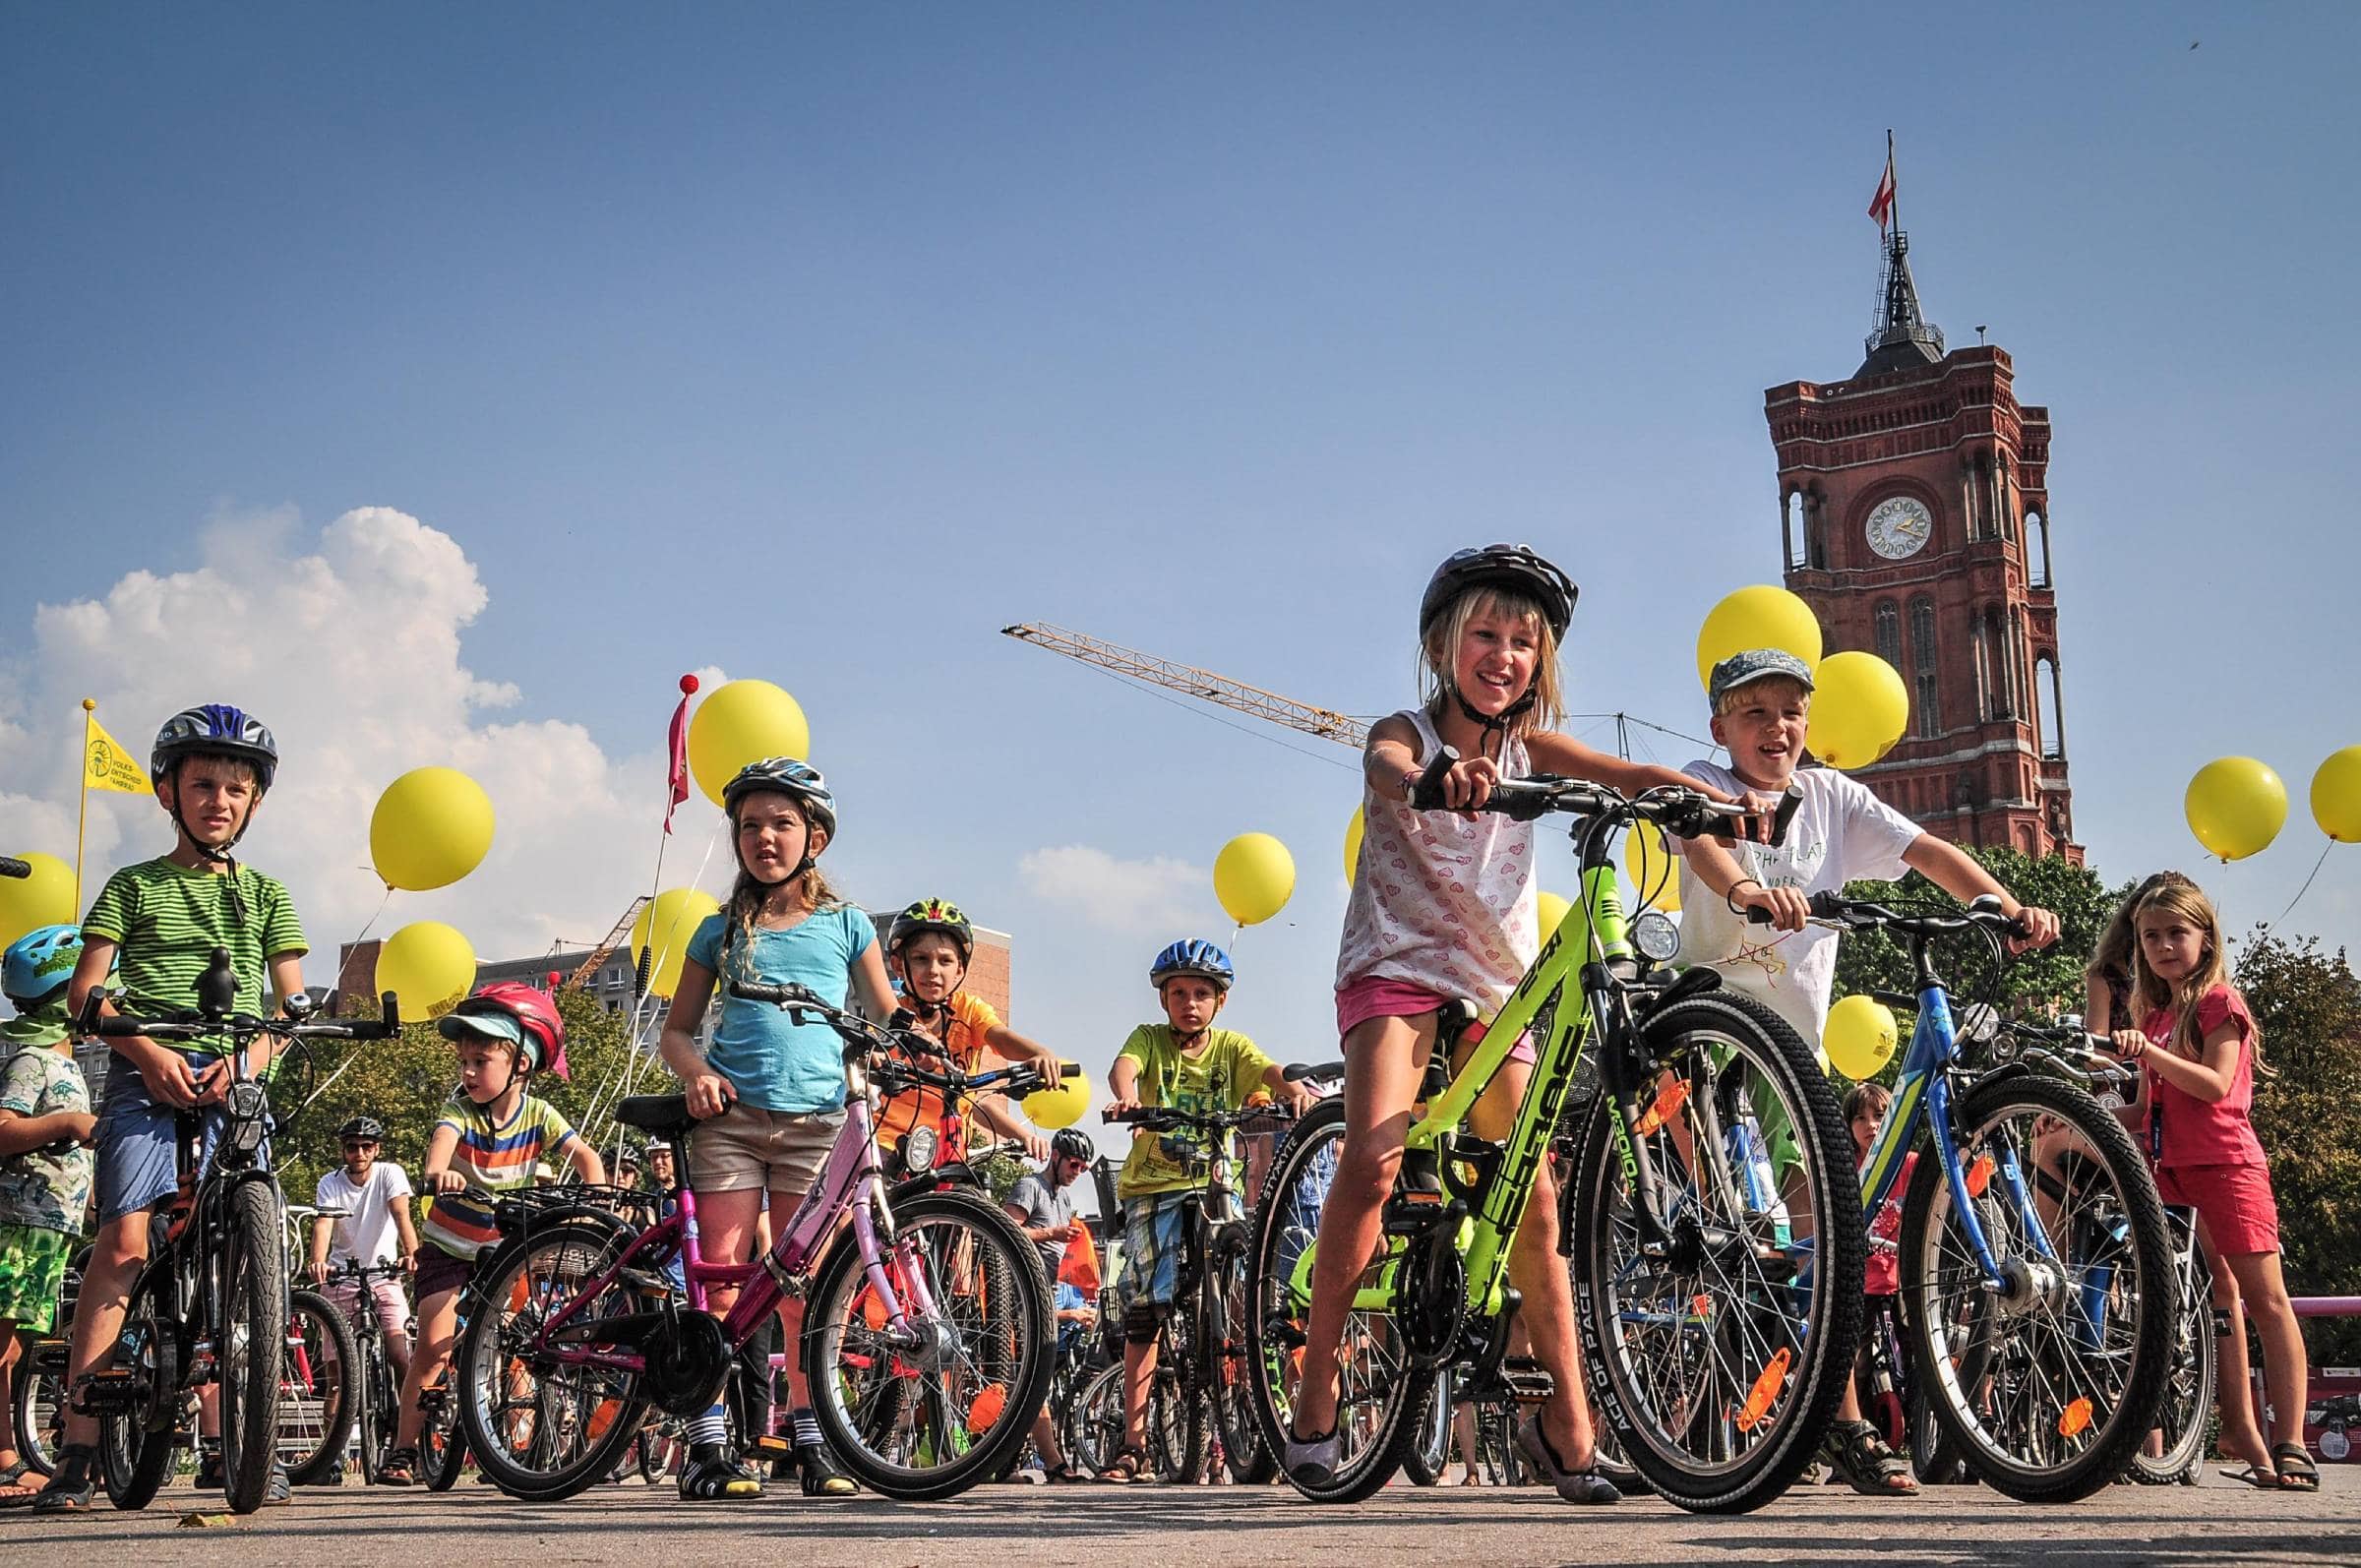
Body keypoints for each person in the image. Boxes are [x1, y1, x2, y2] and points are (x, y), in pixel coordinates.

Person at [1289, 545, 1748, 1504]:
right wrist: (1432, 777)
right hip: (1397, 966)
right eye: (1485, 636)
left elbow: (1628, 771)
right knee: (1374, 1155)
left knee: (1537, 1197)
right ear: (1443, 647)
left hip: (1493, 983)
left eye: (1523, 642)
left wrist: (1706, 807)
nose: (1504, 655)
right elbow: (1387, 764)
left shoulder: (1532, 750)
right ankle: (1318, 1381)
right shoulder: (1407, 729)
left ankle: (1566, 1429)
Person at [1670, 648, 2060, 1495]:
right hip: (1715, 1040)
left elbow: (1924, 851)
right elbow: (1702, 845)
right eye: (1755, 713)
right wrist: (1745, 892)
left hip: (1796, 1056)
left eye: (1791, 712)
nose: (1777, 728)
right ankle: (1835, 1422)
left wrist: (2000, 902)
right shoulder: (1702, 779)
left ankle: (1829, 1418)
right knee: (1746, 1238)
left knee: (1827, 1241)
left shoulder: (1833, 798)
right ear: (1720, 729)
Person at [37, 704, 307, 1514]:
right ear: (168, 793)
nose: (218, 800)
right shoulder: (134, 886)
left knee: (243, 1247)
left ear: (255, 800)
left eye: (235, 787)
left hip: (236, 1073)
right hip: (143, 1066)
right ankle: (80, 1448)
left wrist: (247, 1059)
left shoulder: (268, 895)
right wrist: (146, 1054)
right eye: (201, 785)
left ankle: (235, 1442)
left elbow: (290, 1007)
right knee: (123, 1240)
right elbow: (90, 988)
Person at [657, 756, 893, 1501]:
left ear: (814, 838)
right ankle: (709, 1445)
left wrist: (909, 1043)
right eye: (751, 824)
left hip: (817, 1121)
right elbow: (677, 1031)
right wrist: (695, 1072)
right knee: (723, 1287)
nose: (765, 836)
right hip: (728, 1123)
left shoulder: (848, 925)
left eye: (782, 823)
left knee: (802, 1293)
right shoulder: (718, 930)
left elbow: (885, 1015)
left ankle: (809, 1443)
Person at [2103, 876, 2314, 1493]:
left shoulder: (2219, 1003)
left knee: (2266, 1300)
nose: (2164, 946)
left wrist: (2149, 1052)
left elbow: (2217, 1086)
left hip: (2225, 1166)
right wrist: (2071, 1114)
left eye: (2176, 933)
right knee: (2207, 1302)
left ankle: (2291, 1440)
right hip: (2168, 1171)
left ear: (2204, 937)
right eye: (2150, 936)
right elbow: (2146, 1110)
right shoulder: (2156, 1014)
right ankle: (2238, 1430)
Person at [1102, 939, 1313, 1484]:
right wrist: (1128, 1099)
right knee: (1147, 1309)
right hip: (1154, 1185)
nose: (1189, 1003)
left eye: (1201, 994)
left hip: (1217, 1184)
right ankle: (1134, 1444)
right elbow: (1123, 1069)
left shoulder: (1232, 1048)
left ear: (1220, 1001)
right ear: (1163, 1000)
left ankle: (1252, 1395)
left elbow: (1269, 1072)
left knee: (1248, 1280)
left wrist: (1293, 1092)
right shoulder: (1149, 1041)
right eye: (1178, 994)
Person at [378, 983, 601, 1484]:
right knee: (433, 1347)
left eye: (480, 1061)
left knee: (512, 1347)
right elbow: (441, 1144)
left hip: (506, 1252)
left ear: (520, 1064)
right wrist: (440, 1172)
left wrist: (594, 1201)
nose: (468, 1072)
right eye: (464, 1062)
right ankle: (404, 1448)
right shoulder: (461, 1112)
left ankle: (502, 1444)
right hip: (451, 1245)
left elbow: (586, 1157)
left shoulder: (540, 1116)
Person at [0, 927, 98, 1506]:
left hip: (48, 1227)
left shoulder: (67, 1062)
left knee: (18, 1344)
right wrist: (64, 1125)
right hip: (17, 1221)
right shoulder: (33, 1061)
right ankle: (5, 1458)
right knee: (3, 1344)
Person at [875, 898, 1059, 1164]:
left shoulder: (969, 1010)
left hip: (950, 1151)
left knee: (975, 1199)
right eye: (920, 959)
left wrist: (1040, 1053)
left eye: (945, 961)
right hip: (890, 1144)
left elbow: (1000, 1040)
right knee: (869, 1194)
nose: (933, 971)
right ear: (898, 965)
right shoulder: (890, 1012)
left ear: (960, 968)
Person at [1003, 1126, 1096, 1481]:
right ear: (1055, 1156)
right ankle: (1053, 1462)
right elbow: (1006, 1229)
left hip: (1046, 1292)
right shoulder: (1031, 1187)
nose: (1077, 1172)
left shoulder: (1064, 1200)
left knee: (1029, 1382)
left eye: (1083, 1168)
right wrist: (1052, 1234)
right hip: (1019, 1292)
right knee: (1032, 1380)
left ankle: (1012, 1463)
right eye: (1073, 1164)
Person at [306, 1116, 418, 1390]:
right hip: (340, 1276)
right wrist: (318, 1263)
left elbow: (401, 1214)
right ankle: (337, 1430)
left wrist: (412, 1255)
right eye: (352, 1147)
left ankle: (408, 1429)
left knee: (400, 1355)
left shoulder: (390, 1173)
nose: (359, 1153)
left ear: (376, 1149)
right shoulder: (329, 1183)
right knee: (337, 1376)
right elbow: (324, 1224)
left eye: (367, 1146)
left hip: (384, 1275)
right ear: (343, 1150)